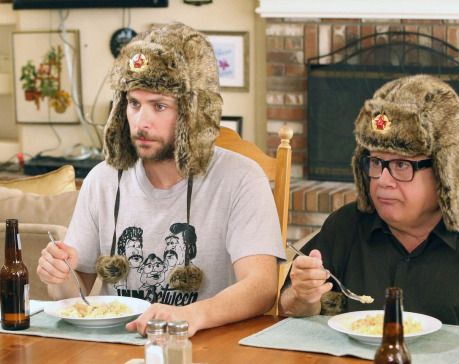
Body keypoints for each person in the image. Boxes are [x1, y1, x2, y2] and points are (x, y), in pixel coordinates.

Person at [36, 22, 285, 336]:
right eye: (134, 104)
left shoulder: (242, 179)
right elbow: (74, 297)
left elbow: (261, 287)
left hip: (205, 346)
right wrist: (58, 276)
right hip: (118, 349)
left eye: (160, 106)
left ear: (192, 114)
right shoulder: (102, 180)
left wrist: (192, 315)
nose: (141, 122)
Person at [279, 74, 459, 329]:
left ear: (446, 172)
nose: (383, 180)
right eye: (375, 162)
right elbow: (289, 306)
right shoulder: (345, 226)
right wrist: (302, 296)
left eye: (400, 164)